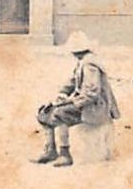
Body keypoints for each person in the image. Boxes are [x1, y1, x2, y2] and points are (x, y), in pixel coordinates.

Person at [34, 31, 119, 167]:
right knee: (44, 112)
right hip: (85, 103)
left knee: (60, 113)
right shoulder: (83, 62)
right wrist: (62, 93)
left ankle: (65, 154)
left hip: (95, 107)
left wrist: (69, 101)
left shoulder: (90, 65)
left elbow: (91, 94)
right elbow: (72, 82)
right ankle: (50, 150)